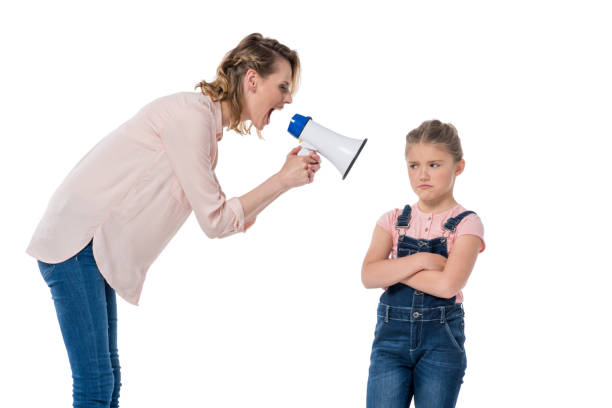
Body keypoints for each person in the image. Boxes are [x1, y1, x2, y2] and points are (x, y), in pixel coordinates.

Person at [26, 33, 321, 408]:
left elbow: (224, 216)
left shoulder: (202, 127)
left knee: (107, 380)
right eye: (282, 86)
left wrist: (280, 184)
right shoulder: (190, 118)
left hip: (92, 251)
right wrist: (282, 180)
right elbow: (216, 220)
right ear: (251, 80)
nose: (288, 98)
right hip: (77, 244)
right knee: (96, 382)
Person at [362, 120, 485, 407]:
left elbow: (447, 285)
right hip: (389, 346)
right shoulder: (392, 220)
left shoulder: (467, 224)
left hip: (440, 346)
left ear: (459, 167)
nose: (422, 174)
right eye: (413, 165)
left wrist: (392, 269)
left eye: (434, 164)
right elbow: (368, 276)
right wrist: (423, 260)